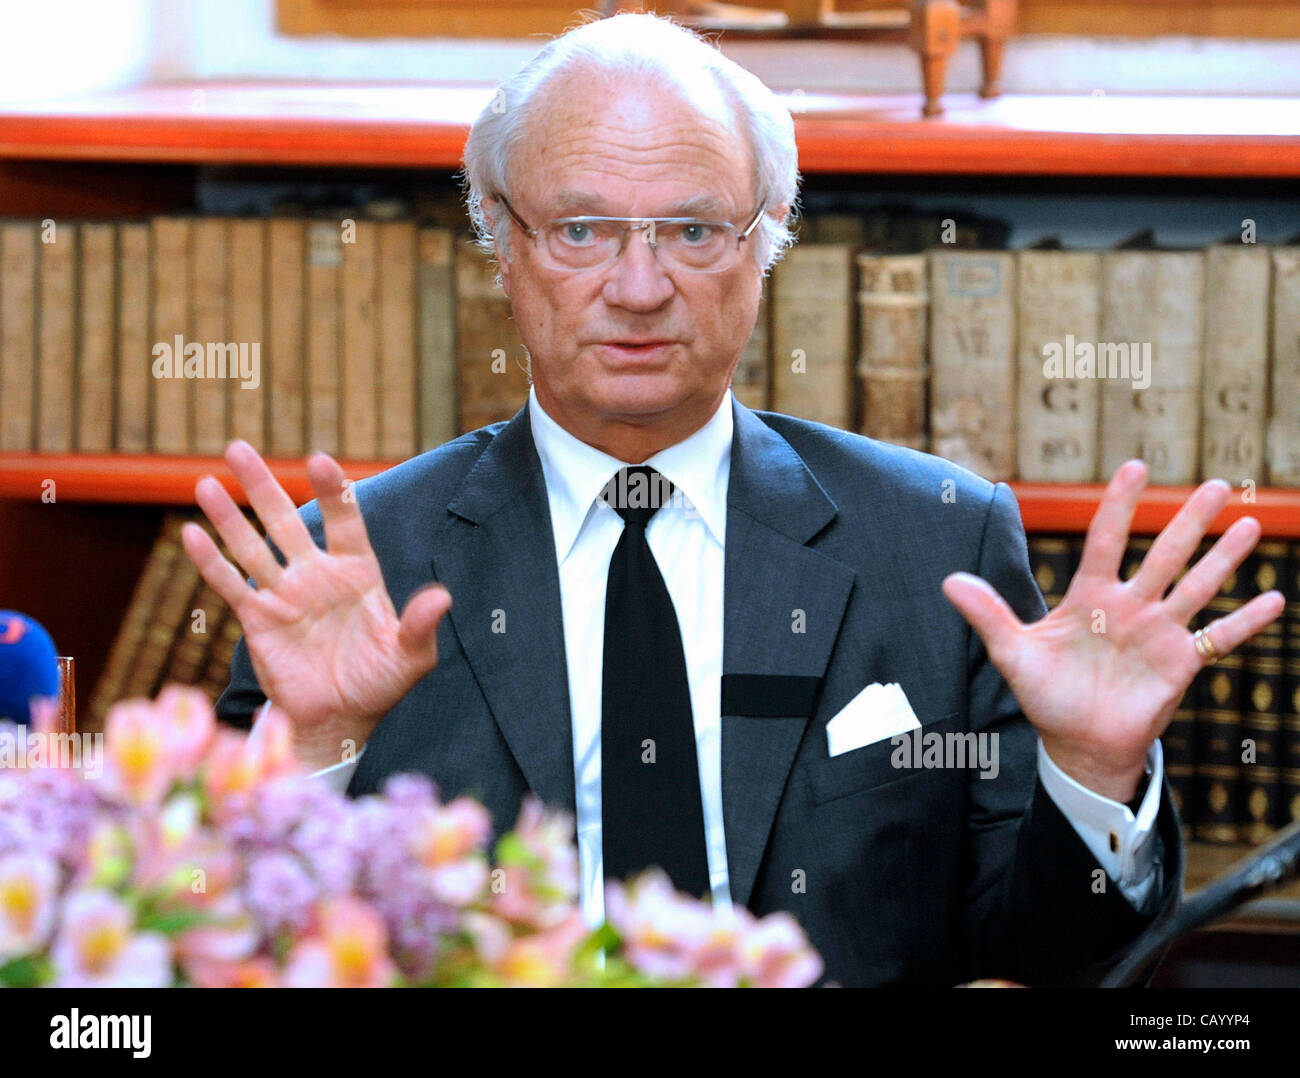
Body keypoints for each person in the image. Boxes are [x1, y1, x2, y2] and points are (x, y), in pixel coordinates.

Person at [185, 12, 1284, 986]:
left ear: (768, 243)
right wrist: (313, 753)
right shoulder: (363, 567)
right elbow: (211, 940)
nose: (638, 286)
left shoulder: (938, 544)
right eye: (580, 230)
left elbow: (1053, 964)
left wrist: (1089, 773)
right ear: (501, 243)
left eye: (694, 230)